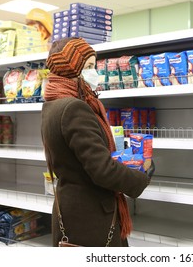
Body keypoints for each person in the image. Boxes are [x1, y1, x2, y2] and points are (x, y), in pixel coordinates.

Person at [41, 37, 154, 247]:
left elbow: (82, 158)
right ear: (71, 68)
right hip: (90, 216)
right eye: (90, 66)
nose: (96, 72)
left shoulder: (52, 105)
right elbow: (102, 170)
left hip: (71, 209)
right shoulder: (74, 108)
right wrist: (141, 176)